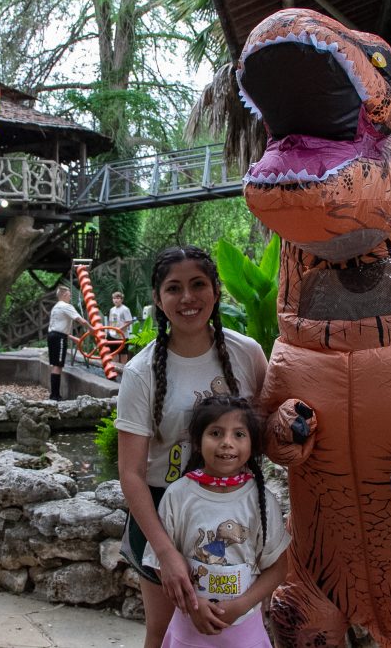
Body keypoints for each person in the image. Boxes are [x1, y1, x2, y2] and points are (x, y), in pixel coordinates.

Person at [114, 246, 268, 648]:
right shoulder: (141, 372)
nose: (187, 298)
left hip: (238, 505)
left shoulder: (247, 354)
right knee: (164, 632)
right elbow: (130, 473)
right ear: (158, 298)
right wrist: (165, 553)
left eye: (198, 284)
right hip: (164, 511)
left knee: (237, 631)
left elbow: (271, 434)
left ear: (216, 291)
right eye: (174, 288)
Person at [144, 395, 290, 647]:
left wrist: (241, 605)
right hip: (189, 630)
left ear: (252, 444)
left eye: (238, 435)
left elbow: (277, 567)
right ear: (198, 443)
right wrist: (193, 603)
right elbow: (161, 563)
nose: (227, 443)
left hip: (245, 634)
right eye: (216, 433)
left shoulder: (262, 501)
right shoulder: (179, 495)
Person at [46, 285, 91, 401]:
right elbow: (81, 320)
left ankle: (54, 394)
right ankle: (55, 396)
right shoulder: (66, 306)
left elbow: (56, 327)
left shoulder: (56, 307)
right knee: (58, 365)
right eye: (70, 295)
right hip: (58, 338)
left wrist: (71, 337)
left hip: (52, 336)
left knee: (56, 365)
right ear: (65, 295)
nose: (71, 297)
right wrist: (93, 329)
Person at [107, 291, 135, 365]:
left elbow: (129, 321)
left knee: (123, 354)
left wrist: (120, 329)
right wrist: (109, 330)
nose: (116, 300)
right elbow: (110, 321)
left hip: (122, 336)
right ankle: (115, 371)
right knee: (114, 353)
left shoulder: (125, 309)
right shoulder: (112, 309)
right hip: (112, 335)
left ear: (122, 300)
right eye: (114, 298)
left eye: (118, 298)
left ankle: (123, 371)